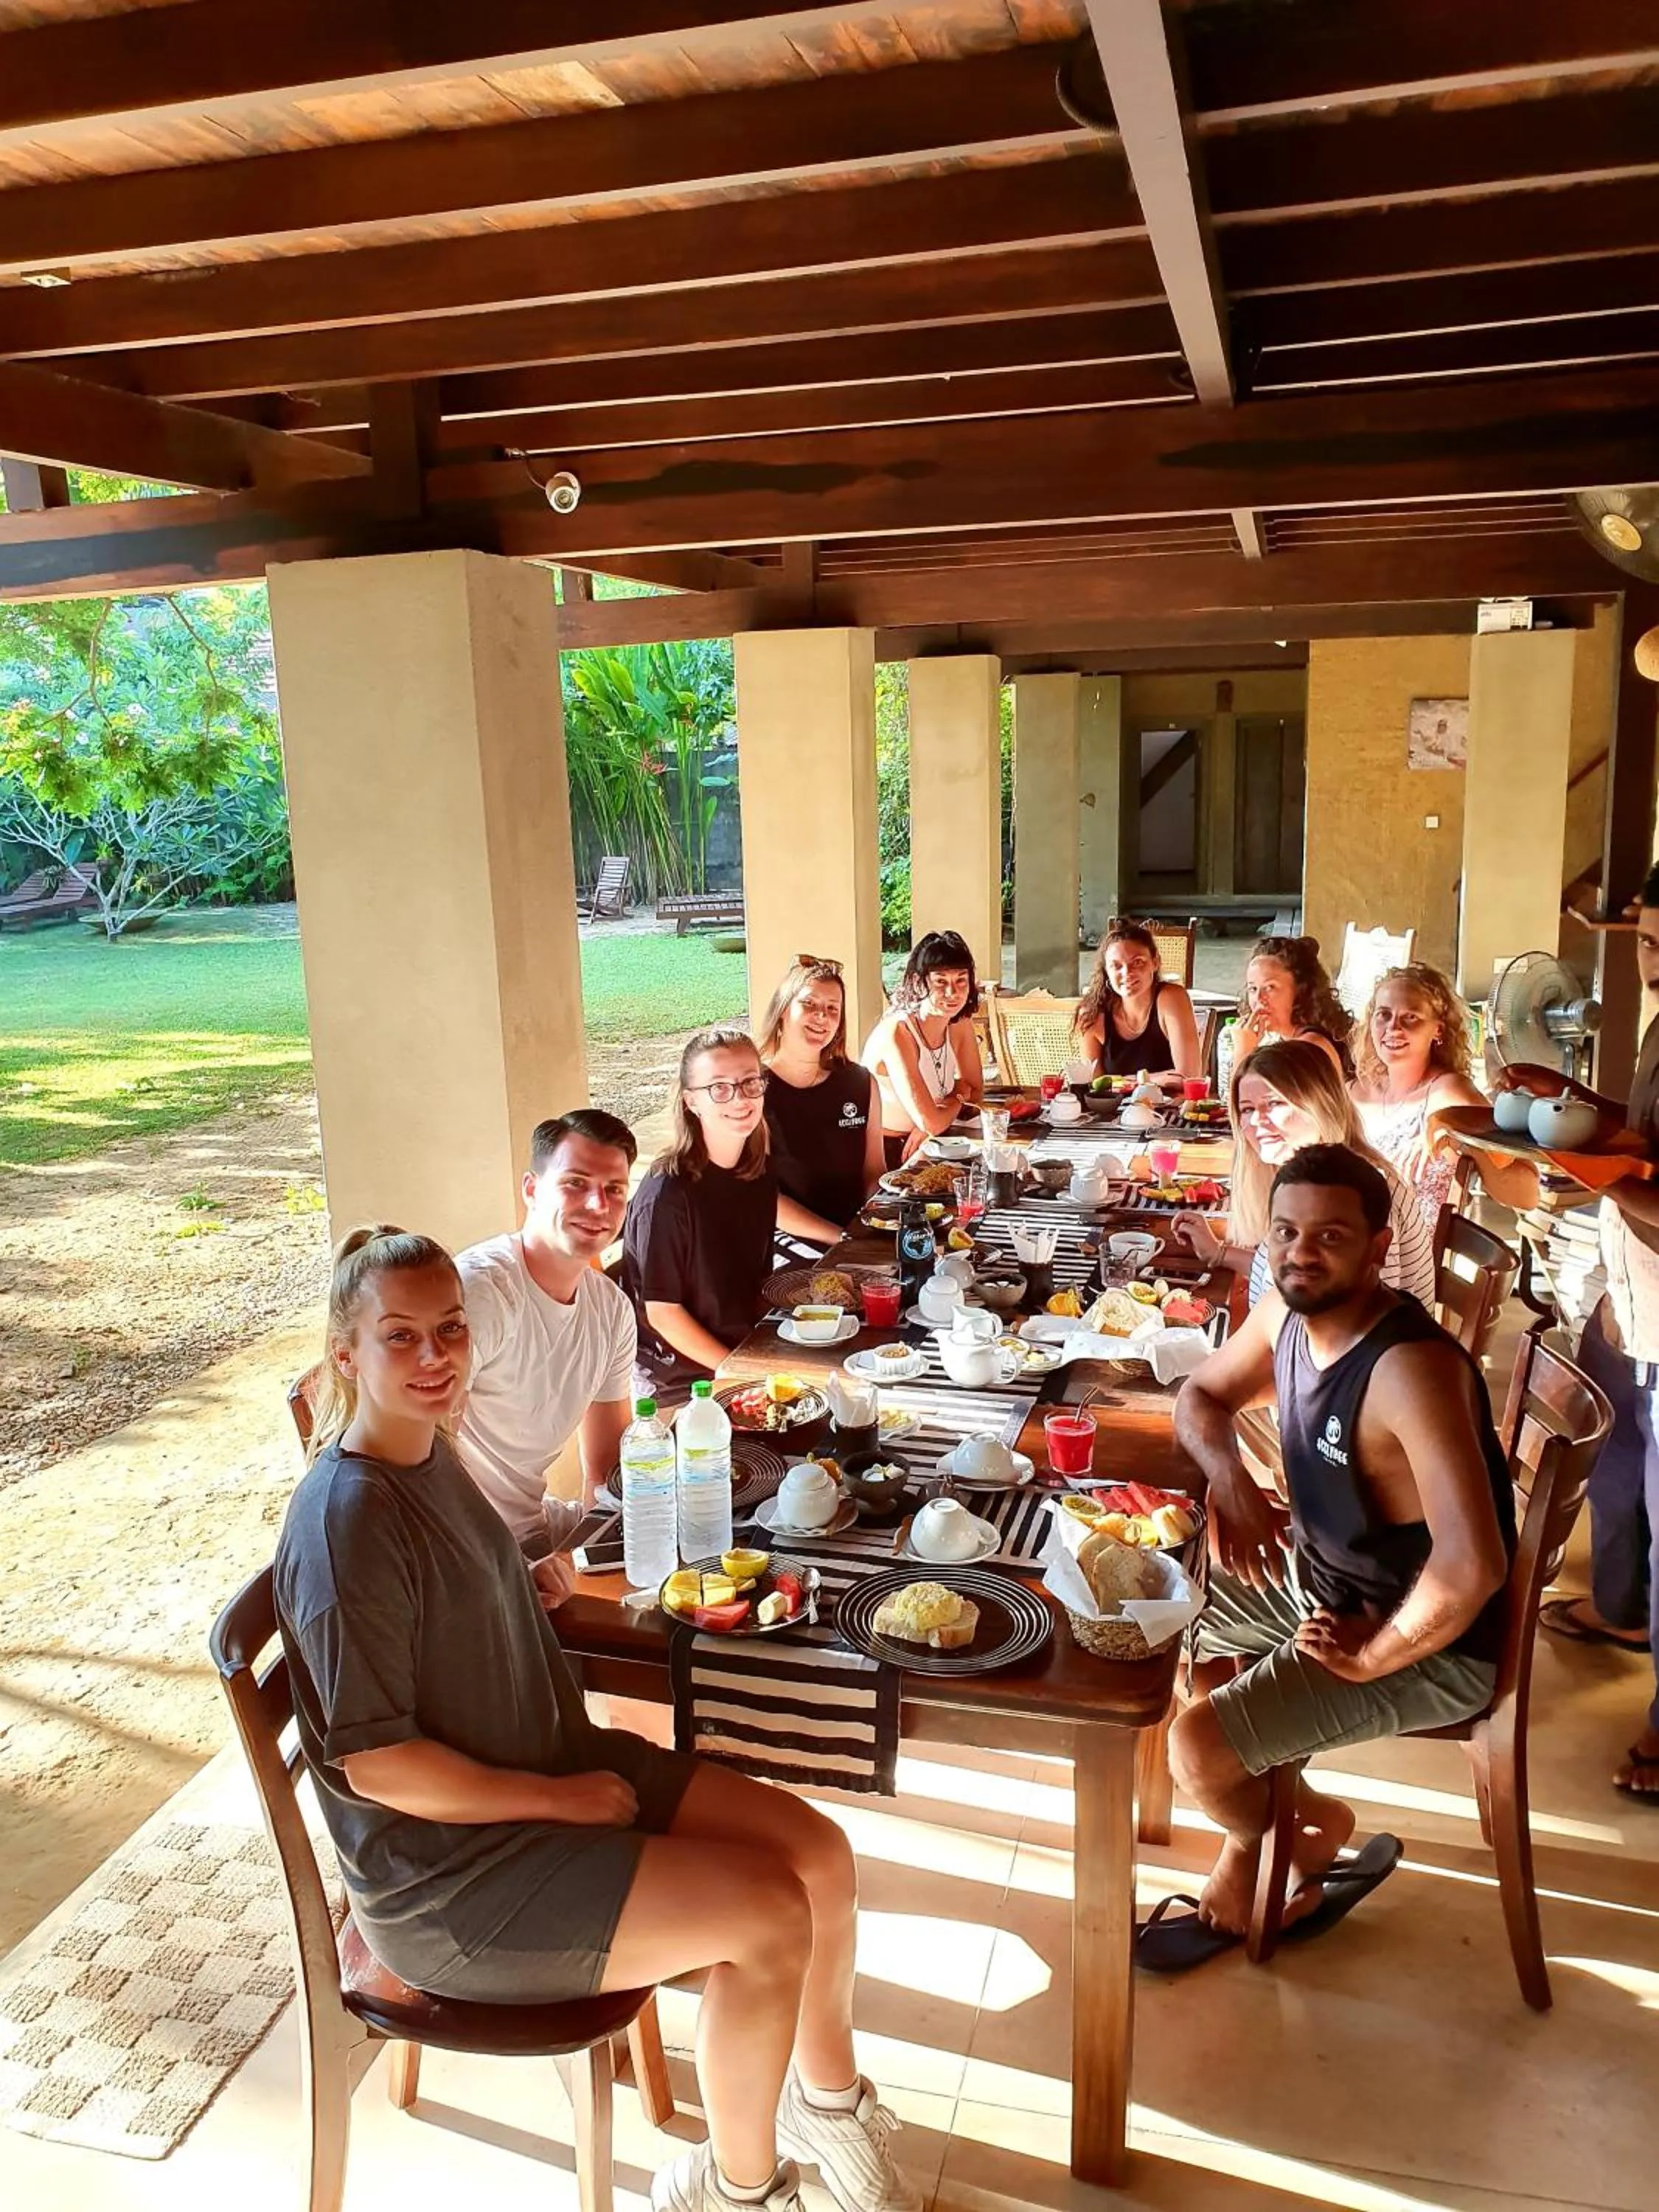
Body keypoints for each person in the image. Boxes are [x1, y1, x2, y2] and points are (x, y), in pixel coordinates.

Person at [274, 1226, 920, 2212]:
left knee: (820, 1856)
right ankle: (739, 2190)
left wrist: (514, 1585)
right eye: (400, 1337)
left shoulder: (424, 1451)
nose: (437, 1355)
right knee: (765, 1917)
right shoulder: (347, 1517)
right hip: (453, 1879)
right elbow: (381, 1767)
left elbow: (440, 1601)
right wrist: (557, 1800)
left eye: (450, 1328)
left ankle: (824, 2106)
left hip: (545, 1766)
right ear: (345, 1354)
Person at [1160, 1147, 1513, 1949]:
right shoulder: (1288, 1312)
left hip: (1428, 1640)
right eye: (1286, 1232)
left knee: (1198, 1750)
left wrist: (1373, 1658)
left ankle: (1291, 1835)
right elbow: (1201, 1395)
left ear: (1379, 1247)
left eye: (1330, 1236)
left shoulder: (1407, 1370)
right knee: (1168, 1613)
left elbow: (1473, 1567)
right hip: (1324, 1582)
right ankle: (1276, 1820)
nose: (1300, 1253)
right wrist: (1231, 1480)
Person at [1513, 864, 1659, 1796]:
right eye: (1649, 944)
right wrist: (1592, 1129)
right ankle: (1625, 1607)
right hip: (1635, 1285)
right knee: (1610, 1452)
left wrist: (1591, 1162)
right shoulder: (1655, 1030)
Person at [453, 1110, 637, 1555]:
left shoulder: (611, 1310)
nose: (598, 1206)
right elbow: (417, 1466)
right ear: (532, 1190)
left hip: (536, 1530)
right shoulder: (481, 1296)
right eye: (575, 1183)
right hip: (463, 1551)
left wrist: (594, 1559)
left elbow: (606, 1472)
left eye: (614, 1190)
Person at [1175, 1039, 1436, 1310]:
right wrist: (1219, 1254)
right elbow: (1298, 1276)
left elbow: (1362, 1330)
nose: (1256, 1121)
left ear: (1320, 1105)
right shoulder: (1313, 1180)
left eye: (1274, 1104)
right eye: (1248, 1109)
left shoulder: (1353, 1192)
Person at [622, 1026, 777, 1393]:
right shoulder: (667, 1194)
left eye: (750, 1083)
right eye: (719, 1088)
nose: (740, 1100)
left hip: (747, 1349)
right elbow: (663, 1313)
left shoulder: (758, 1171)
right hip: (683, 1381)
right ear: (692, 1102)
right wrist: (740, 1372)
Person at [1349, 964, 1486, 1231]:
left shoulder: (1448, 1092)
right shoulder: (1353, 1093)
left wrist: (1443, 1122)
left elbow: (1522, 1179)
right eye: (1383, 1015)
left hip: (1410, 1258)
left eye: (1410, 1017)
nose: (1393, 1028)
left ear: (1438, 1029)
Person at [759, 953, 885, 1242]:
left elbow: (874, 1172)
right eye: (809, 1004)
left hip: (857, 1230)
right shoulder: (755, 1091)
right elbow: (766, 1198)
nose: (822, 1016)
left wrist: (882, 1221)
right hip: (789, 1241)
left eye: (833, 1008)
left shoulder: (862, 1083)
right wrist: (842, 1238)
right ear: (782, 1012)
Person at [861, 930, 985, 1164]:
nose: (953, 993)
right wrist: (956, 1100)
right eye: (941, 982)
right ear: (919, 982)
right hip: (886, 1151)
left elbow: (976, 1090)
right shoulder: (898, 1032)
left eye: (961, 980)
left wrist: (933, 1123)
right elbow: (934, 1121)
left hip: (931, 1143)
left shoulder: (958, 1022)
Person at [1073, 917, 1202, 1085]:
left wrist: (1128, 1081)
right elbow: (1094, 1086)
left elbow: (1190, 1077)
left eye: (1138, 962)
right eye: (1117, 966)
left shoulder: (1171, 998)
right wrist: (1153, 1079)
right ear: (1106, 971)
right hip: (1115, 1111)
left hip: (1169, 1108)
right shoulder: (1092, 1014)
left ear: (1155, 963)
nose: (1127, 972)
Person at [1234, 934, 1350, 1074]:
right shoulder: (1288, 1040)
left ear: (1301, 991)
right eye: (1253, 989)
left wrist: (1242, 1054)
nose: (1259, 998)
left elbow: (1243, 1095)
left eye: (1271, 987)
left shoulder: (1310, 1048)